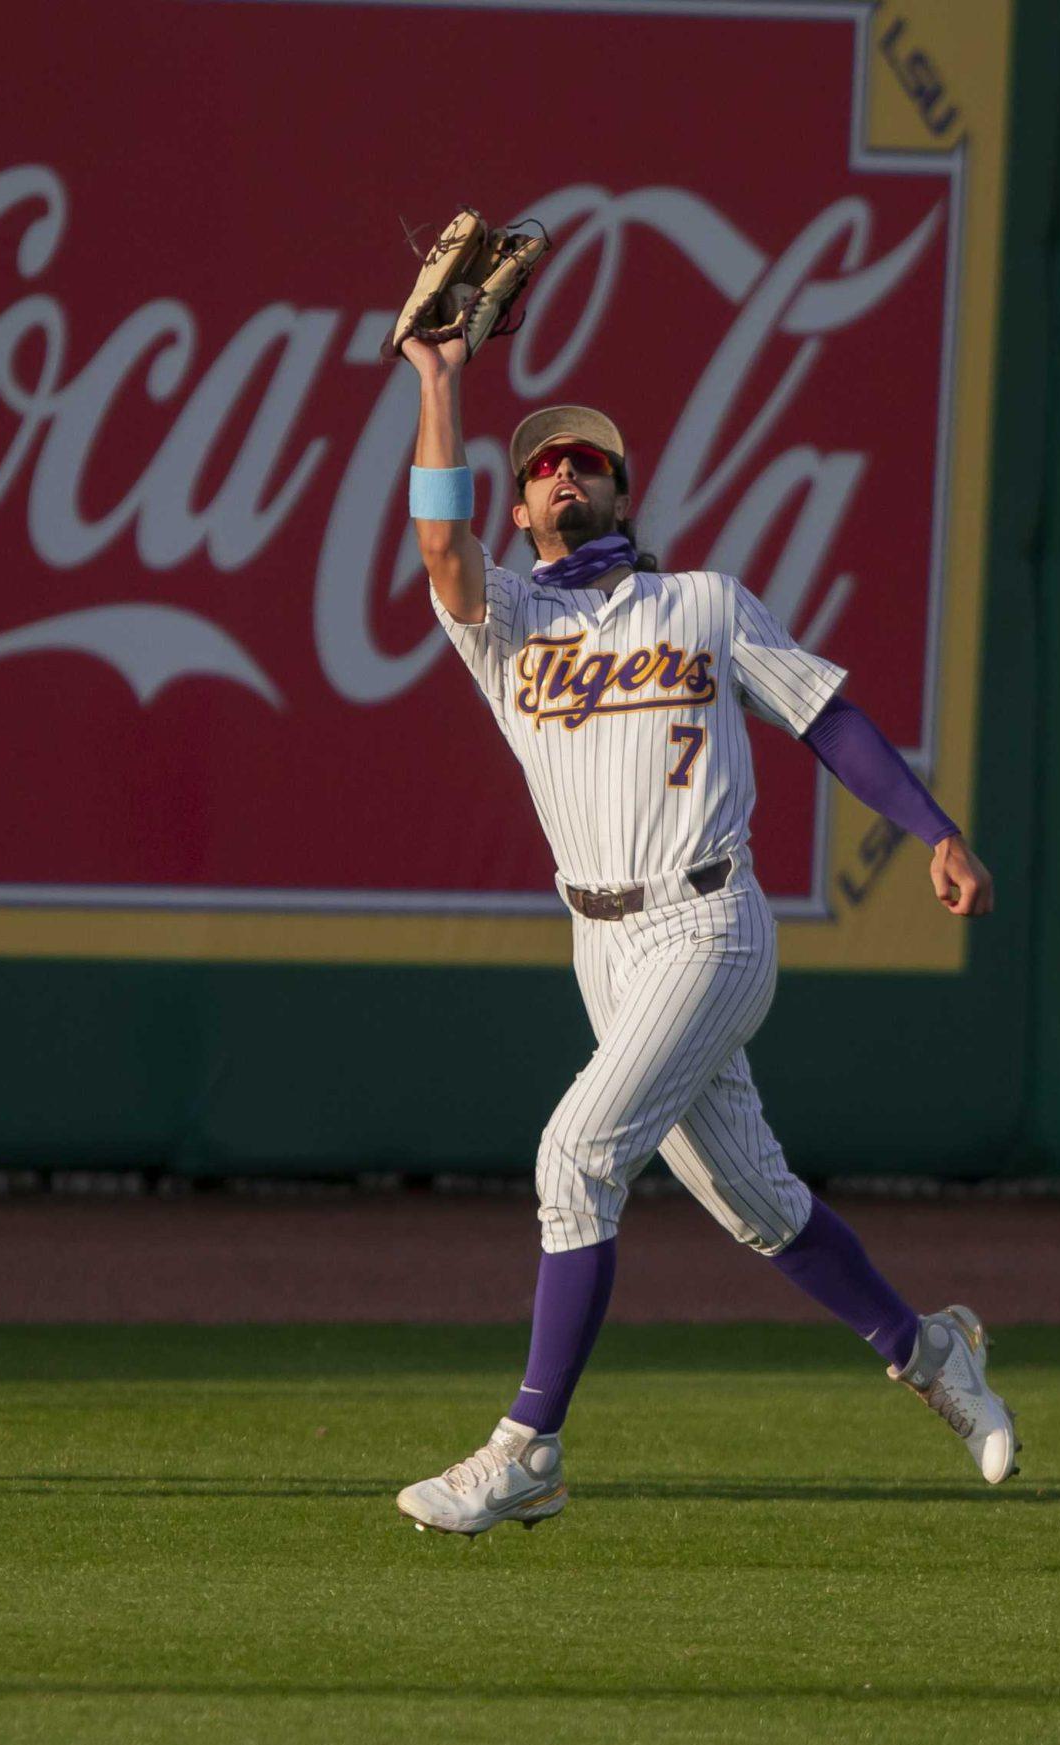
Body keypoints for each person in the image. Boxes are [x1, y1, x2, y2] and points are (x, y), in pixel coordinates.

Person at [391, 328, 1018, 1535]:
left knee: (574, 1158)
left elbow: (823, 717)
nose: (563, 473)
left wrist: (931, 829)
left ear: (623, 492)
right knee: (756, 1203)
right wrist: (437, 381)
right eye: (541, 467)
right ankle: (929, 1346)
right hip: (603, 946)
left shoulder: (702, 602)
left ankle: (527, 1448)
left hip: (709, 921)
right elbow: (437, 546)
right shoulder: (505, 622)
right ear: (519, 508)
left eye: (587, 460)